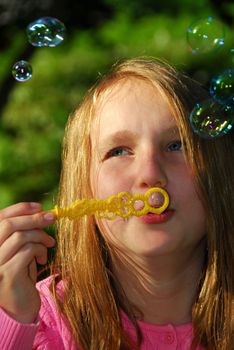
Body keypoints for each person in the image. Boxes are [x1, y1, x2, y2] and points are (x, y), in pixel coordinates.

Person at [0, 57, 233, 350]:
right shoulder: (41, 322)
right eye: (119, 151)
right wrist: (14, 318)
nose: (150, 175)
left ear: (218, 172)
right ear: (85, 189)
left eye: (177, 145)